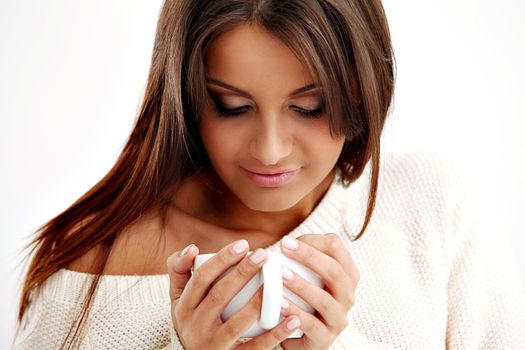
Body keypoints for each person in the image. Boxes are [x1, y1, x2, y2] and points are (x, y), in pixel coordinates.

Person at [12, 0, 525, 349]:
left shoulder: (433, 206)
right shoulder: (92, 270)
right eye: (232, 106)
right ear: (187, 96)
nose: (271, 151)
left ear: (363, 87)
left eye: (310, 106)